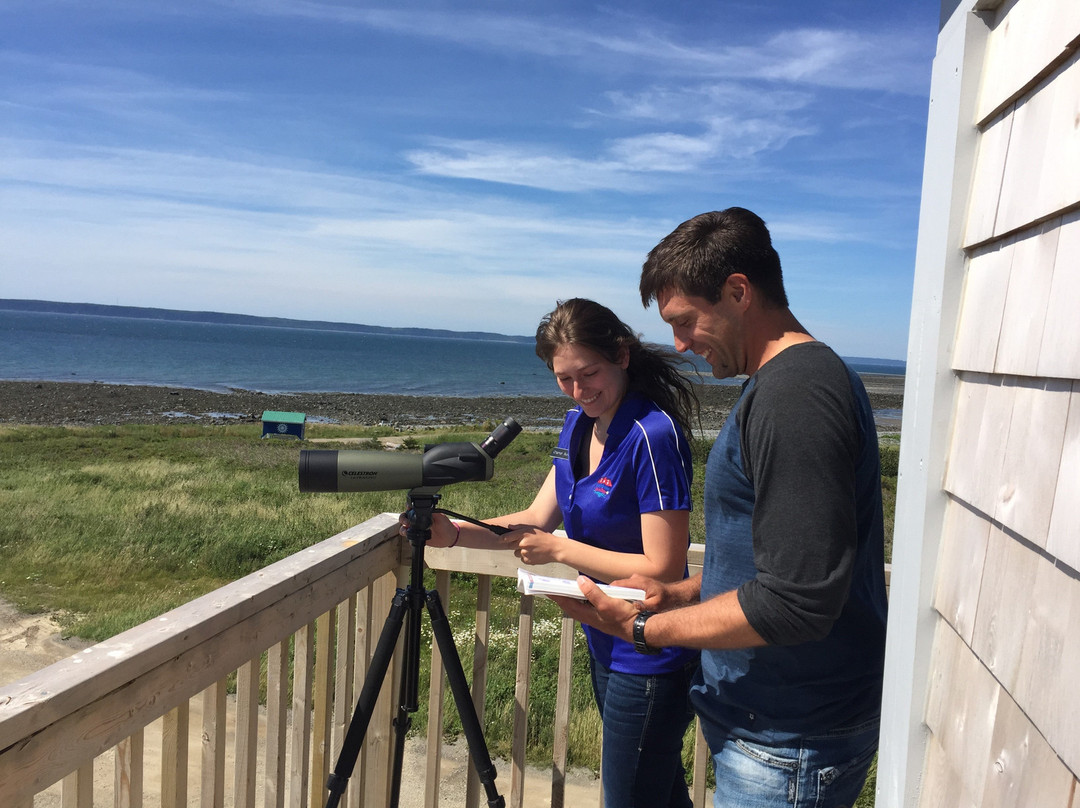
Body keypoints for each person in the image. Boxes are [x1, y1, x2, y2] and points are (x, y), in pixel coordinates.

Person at [553, 209, 889, 808]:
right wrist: (685, 593)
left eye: (685, 322)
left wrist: (642, 627)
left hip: (788, 739)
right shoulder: (787, 385)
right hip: (778, 728)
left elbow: (798, 600)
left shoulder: (796, 395)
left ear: (738, 291)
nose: (680, 345)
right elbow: (785, 567)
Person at [401, 297, 701, 808]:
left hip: (653, 649)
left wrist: (560, 549)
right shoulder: (576, 426)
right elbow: (536, 518)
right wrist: (451, 532)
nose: (580, 391)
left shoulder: (653, 436)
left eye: (590, 374)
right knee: (661, 794)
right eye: (565, 378)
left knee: (630, 798)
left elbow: (664, 567)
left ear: (622, 356)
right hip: (606, 636)